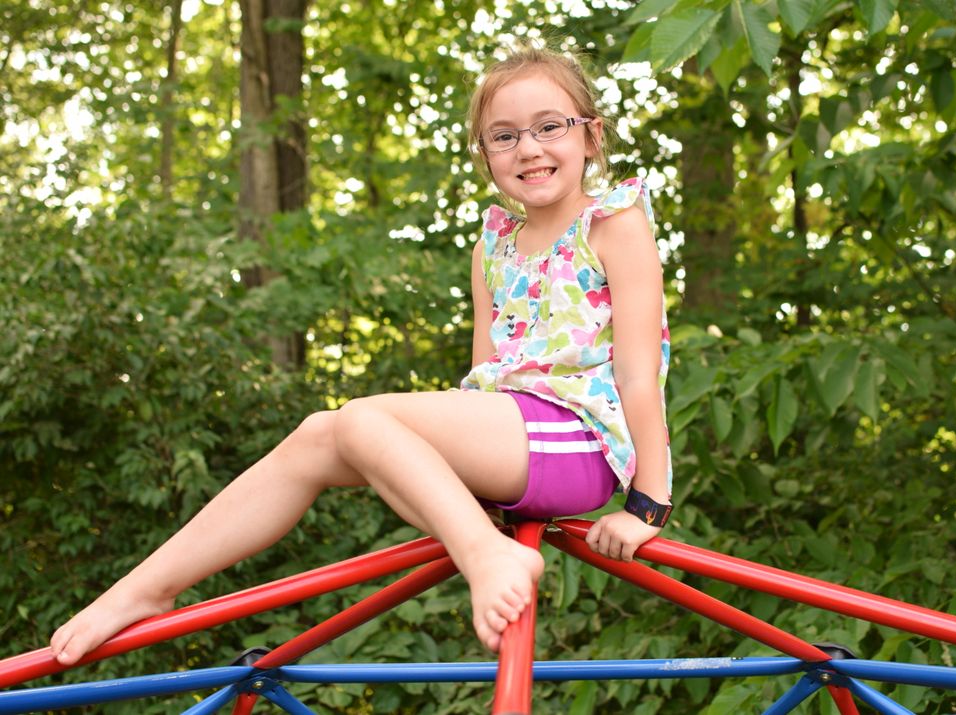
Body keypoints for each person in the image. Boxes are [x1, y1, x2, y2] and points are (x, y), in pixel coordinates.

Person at [49, 45, 673, 662]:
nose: (529, 149)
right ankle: (146, 590)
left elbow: (639, 376)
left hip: (578, 441)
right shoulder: (495, 247)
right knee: (320, 434)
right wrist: (464, 479)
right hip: (513, 436)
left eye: (549, 126)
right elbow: (483, 379)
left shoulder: (612, 225)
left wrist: (646, 506)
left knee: (360, 418)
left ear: (590, 136)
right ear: (485, 156)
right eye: (503, 136)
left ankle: (486, 552)